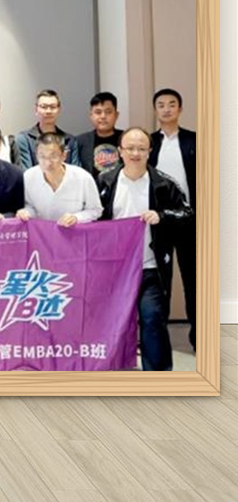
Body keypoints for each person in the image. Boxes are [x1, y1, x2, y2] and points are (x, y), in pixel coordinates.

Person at [98, 127, 192, 371]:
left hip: (150, 267)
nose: (135, 153)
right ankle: (113, 370)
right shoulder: (105, 181)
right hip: (114, 269)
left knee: (152, 319)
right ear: (120, 151)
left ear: (150, 151)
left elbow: (187, 213)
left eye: (141, 148)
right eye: (130, 148)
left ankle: (158, 375)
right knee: (113, 321)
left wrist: (162, 215)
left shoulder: (163, 183)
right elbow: (92, 216)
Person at [149, 88, 197, 350]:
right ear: (155, 110)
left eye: (171, 104)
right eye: (161, 105)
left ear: (180, 109)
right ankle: (159, 339)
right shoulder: (149, 142)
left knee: (193, 280)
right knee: (161, 282)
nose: (166, 109)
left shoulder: (193, 140)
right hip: (160, 222)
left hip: (190, 221)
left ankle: (199, 336)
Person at [16, 132, 102, 226]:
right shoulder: (28, 177)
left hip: (73, 232)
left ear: (64, 155)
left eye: (53, 156)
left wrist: (77, 217)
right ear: (36, 155)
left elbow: (96, 210)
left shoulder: (83, 178)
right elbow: (30, 206)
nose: (48, 162)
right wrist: (26, 213)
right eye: (42, 156)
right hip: (41, 231)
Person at [14, 89, 81, 169]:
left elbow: (75, 171)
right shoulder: (24, 139)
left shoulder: (70, 140)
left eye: (53, 107)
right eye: (44, 107)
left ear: (59, 110)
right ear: (36, 109)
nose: (48, 111)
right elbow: (26, 172)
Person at [76, 92, 123, 178]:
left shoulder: (126, 139)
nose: (103, 116)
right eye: (98, 112)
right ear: (91, 115)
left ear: (116, 115)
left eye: (108, 112)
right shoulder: (80, 141)